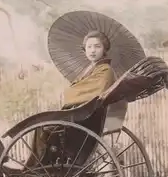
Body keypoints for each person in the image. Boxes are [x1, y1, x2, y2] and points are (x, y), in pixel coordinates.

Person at [27, 30, 116, 167]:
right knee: (43, 126)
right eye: (89, 47)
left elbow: (93, 91)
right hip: (82, 115)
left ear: (104, 49)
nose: (93, 50)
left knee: (43, 125)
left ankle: (40, 162)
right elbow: (81, 88)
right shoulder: (92, 69)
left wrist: (71, 90)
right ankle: (42, 160)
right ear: (85, 49)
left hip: (86, 118)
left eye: (97, 46)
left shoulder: (105, 70)